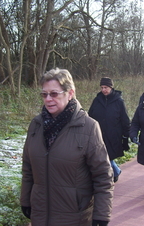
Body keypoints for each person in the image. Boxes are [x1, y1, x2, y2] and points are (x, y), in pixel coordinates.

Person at [20, 68, 114, 226]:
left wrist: (101, 215)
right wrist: (26, 200)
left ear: (70, 93)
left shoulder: (88, 127)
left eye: (54, 94)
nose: (48, 99)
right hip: (40, 216)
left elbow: (103, 176)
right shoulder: (36, 125)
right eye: (44, 94)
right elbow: (28, 168)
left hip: (75, 218)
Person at [88, 77, 130, 183]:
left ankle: (113, 173)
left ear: (111, 87)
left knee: (107, 156)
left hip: (113, 134)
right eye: (102, 87)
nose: (103, 90)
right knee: (101, 156)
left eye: (106, 87)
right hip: (98, 134)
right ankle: (115, 171)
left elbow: (125, 119)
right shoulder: (97, 100)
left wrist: (126, 136)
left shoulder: (119, 101)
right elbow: (90, 116)